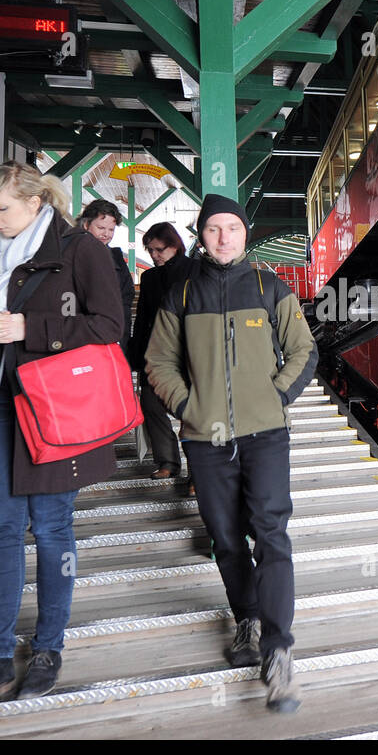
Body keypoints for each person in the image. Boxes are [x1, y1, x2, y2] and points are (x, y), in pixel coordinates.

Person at [0, 163, 124, 714]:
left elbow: (111, 326)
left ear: (35, 200)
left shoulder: (79, 249)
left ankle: (48, 649)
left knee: (50, 526)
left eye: (1, 208)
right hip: (1, 399)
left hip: (56, 408)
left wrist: (32, 329)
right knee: (0, 526)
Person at [147, 193, 318, 713]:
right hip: (206, 439)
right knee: (225, 537)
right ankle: (245, 616)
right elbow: (157, 361)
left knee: (271, 533)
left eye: (233, 228)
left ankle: (278, 649)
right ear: (202, 235)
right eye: (214, 229)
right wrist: (188, 406)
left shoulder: (270, 287)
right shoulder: (180, 294)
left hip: (265, 435)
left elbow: (304, 350)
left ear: (246, 234)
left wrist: (277, 395)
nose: (224, 237)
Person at [129, 222, 190, 481]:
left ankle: (198, 474)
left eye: (159, 250)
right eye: (150, 250)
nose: (154, 255)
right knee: (151, 405)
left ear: (175, 246)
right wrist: (136, 357)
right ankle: (168, 461)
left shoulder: (196, 271)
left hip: (190, 353)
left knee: (194, 414)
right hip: (156, 354)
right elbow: (142, 320)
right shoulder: (149, 278)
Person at [78, 198, 135, 351]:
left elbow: (125, 299)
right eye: (101, 228)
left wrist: (121, 338)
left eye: (111, 230)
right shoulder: (72, 255)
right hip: (81, 335)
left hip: (112, 336)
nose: (106, 234)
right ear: (85, 224)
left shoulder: (117, 259)